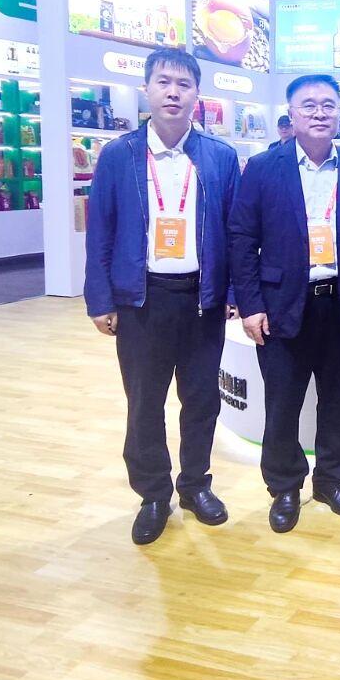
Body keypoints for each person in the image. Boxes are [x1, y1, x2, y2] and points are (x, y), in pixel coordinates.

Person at [84, 49, 240, 546]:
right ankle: (153, 494)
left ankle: (195, 485)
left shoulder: (219, 157)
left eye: (184, 84)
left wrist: (232, 292)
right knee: (144, 403)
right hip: (141, 300)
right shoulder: (119, 155)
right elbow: (100, 231)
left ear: (197, 94)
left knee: (202, 400)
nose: (173, 92)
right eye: (164, 82)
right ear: (147, 89)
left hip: (202, 300)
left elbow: (235, 232)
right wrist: (100, 299)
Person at [228, 74, 340, 533]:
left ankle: (332, 481)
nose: (319, 113)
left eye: (328, 105)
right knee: (282, 403)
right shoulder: (263, 168)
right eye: (309, 105)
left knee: (337, 402)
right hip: (280, 307)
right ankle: (284, 486)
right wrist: (250, 304)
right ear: (291, 114)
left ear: (339, 115)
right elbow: (242, 239)